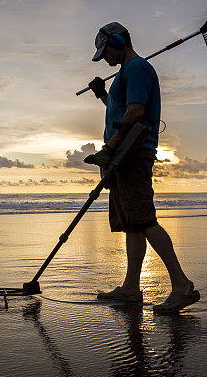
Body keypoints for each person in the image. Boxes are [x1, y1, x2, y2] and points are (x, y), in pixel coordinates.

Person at [84, 22, 199, 313]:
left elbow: (136, 113)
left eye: (106, 51)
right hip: (121, 156)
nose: (105, 58)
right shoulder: (126, 73)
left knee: (144, 220)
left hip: (131, 155)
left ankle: (182, 286)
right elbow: (121, 110)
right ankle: (131, 288)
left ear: (119, 41)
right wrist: (102, 94)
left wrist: (109, 150)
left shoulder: (136, 69)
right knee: (132, 224)